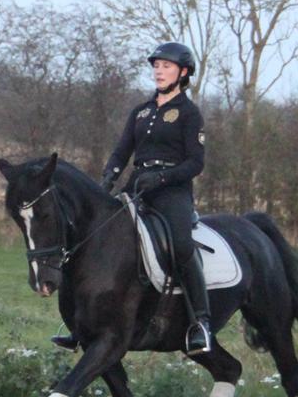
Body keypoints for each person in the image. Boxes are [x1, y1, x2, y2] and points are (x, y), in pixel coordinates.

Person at [52, 41, 211, 356]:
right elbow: (122, 151)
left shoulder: (189, 114)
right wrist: (108, 177)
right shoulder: (141, 112)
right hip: (137, 186)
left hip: (172, 191)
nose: (159, 71)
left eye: (166, 66)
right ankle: (78, 324)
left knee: (180, 245)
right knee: (97, 236)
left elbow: (196, 163)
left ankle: (200, 323)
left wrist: (163, 177)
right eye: (156, 66)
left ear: (183, 72)